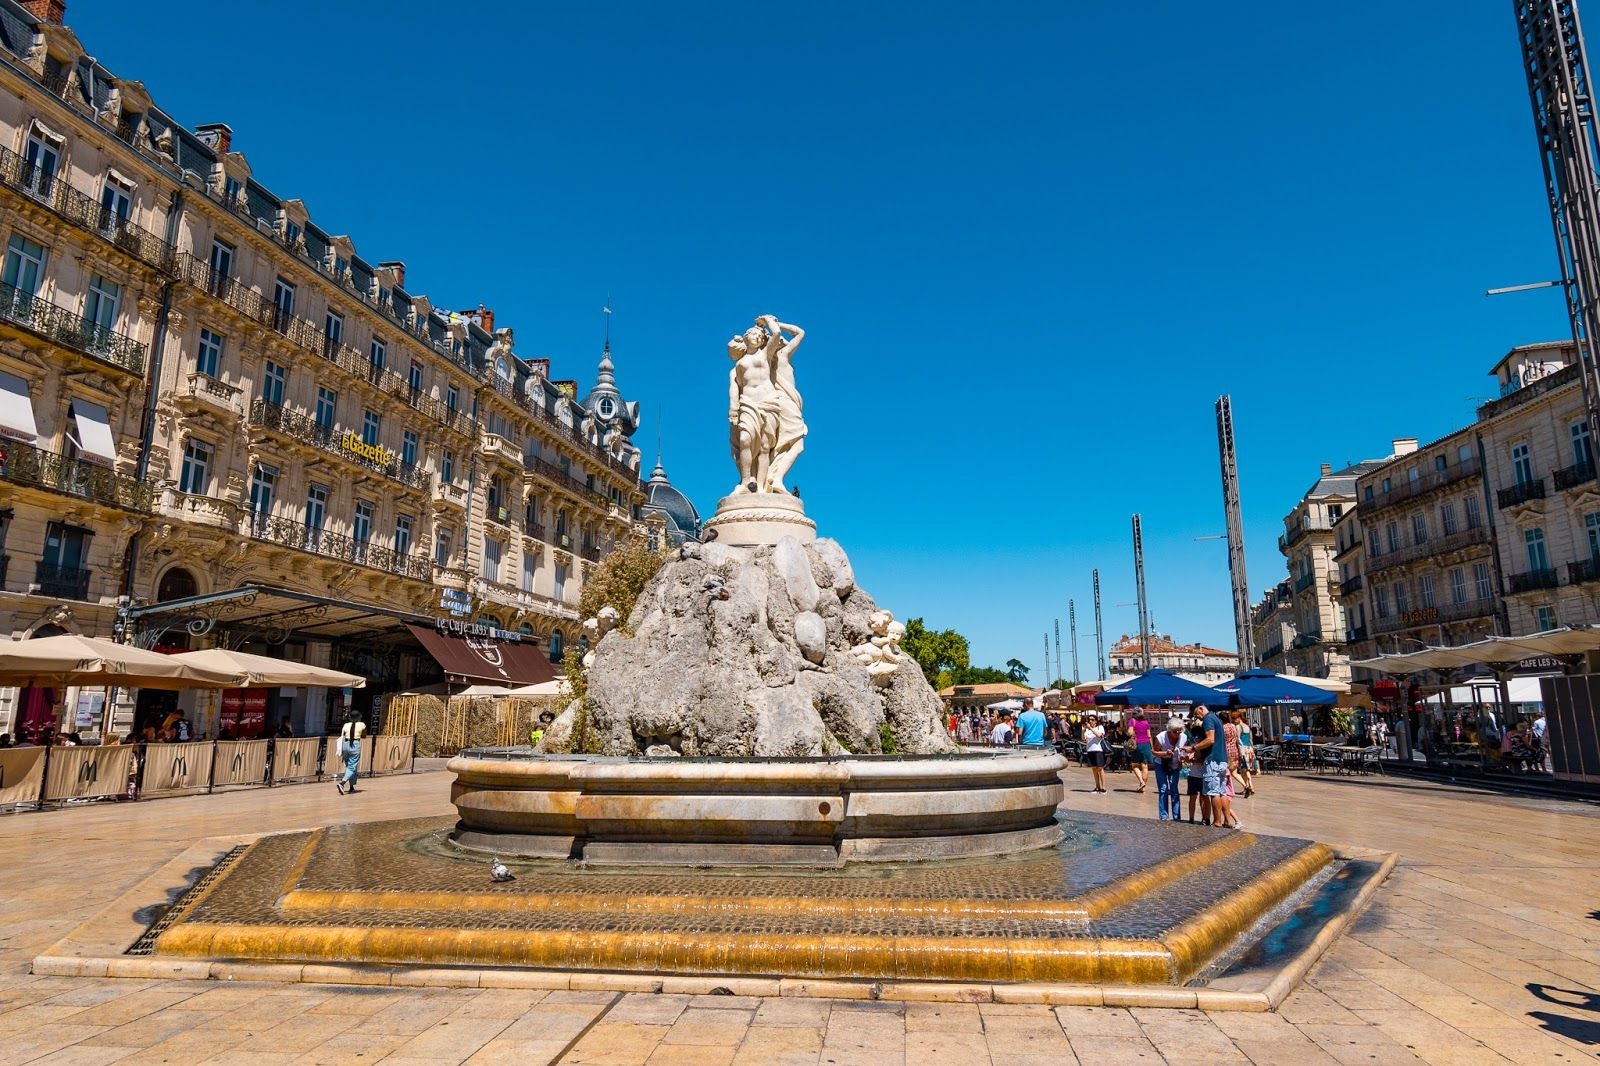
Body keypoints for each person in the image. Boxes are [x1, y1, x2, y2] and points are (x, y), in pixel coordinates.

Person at [1191, 702, 1238, 829]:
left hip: (1213, 760)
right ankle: (1227, 821)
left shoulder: (1208, 719)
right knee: (1222, 792)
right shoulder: (1216, 718)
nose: (1198, 717)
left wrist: (1194, 748)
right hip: (1222, 760)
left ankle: (1217, 821)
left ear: (1201, 709)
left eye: (1197, 714)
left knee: (1213, 792)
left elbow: (1210, 739)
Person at [1151, 717, 1186, 822]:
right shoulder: (1161, 737)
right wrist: (1165, 753)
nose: (1178, 733)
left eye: (1180, 730)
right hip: (1160, 764)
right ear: (1169, 730)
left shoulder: (1183, 737)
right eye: (1175, 731)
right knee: (1163, 789)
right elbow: (1154, 752)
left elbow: (1183, 751)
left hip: (1175, 765)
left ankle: (1176, 817)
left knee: (1174, 789)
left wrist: (1182, 759)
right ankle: (1164, 816)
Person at [336, 713, 367, 795]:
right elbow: (364, 736)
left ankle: (351, 786)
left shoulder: (346, 725)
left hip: (345, 745)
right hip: (355, 745)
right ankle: (342, 783)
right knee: (352, 767)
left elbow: (343, 734)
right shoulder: (362, 724)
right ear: (359, 717)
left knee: (350, 767)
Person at [1127, 710, 1153, 793]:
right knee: (1145, 766)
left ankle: (1141, 782)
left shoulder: (1132, 721)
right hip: (1146, 745)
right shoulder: (1146, 722)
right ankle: (1143, 787)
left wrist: (1129, 732)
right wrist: (1151, 747)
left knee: (1134, 765)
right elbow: (1149, 736)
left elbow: (1130, 732)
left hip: (1137, 745)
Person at [1082, 713, 1108, 793]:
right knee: (1094, 769)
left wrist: (1091, 728)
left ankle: (1103, 787)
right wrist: (1083, 730)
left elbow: (1099, 735)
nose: (1090, 721)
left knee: (1100, 768)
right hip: (1090, 750)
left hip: (1098, 750)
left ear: (1096, 721)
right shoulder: (1087, 730)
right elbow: (1083, 738)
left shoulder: (1100, 727)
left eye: (1092, 720)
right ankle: (1097, 786)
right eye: (1089, 720)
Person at [1235, 711, 1256, 797]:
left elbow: (1238, 740)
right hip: (1249, 749)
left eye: (1234, 718)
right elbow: (1251, 739)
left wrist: (1240, 751)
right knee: (1246, 770)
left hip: (1243, 750)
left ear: (1239, 718)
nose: (1233, 720)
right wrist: (1252, 749)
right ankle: (1247, 787)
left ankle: (1250, 786)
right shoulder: (1247, 726)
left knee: (1245, 769)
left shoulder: (1238, 727)